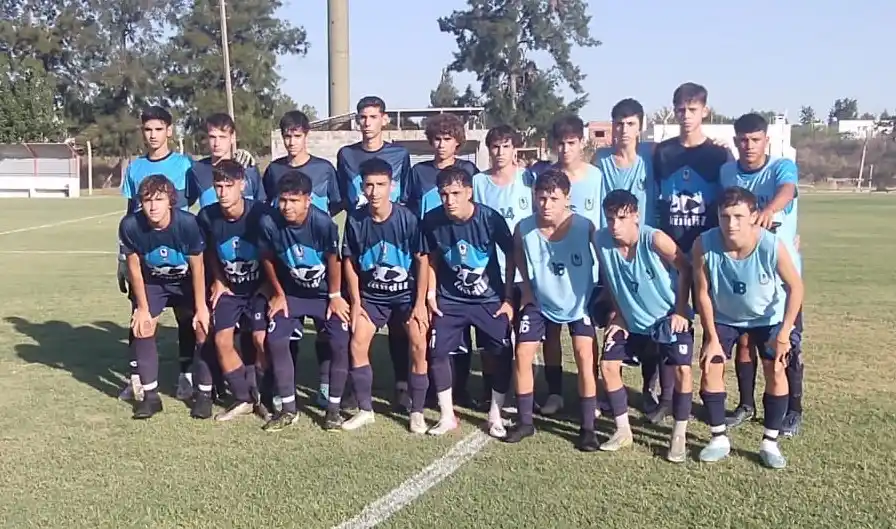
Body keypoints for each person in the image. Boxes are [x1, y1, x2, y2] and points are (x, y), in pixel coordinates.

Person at [692, 187, 803, 469]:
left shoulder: (770, 245)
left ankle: (770, 442)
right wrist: (712, 337)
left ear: (754, 216)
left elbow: (796, 287)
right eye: (725, 216)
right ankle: (718, 438)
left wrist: (784, 333)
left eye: (739, 216)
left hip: (767, 317)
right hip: (726, 316)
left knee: (776, 369)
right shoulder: (704, 244)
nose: (731, 223)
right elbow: (702, 293)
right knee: (711, 365)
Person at [651, 82, 731, 425]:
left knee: (714, 323)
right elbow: (656, 199)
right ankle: (668, 397)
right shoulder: (663, 152)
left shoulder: (717, 155)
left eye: (692, 109)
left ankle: (712, 396)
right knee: (670, 323)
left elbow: (731, 200)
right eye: (680, 109)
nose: (685, 116)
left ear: (705, 111)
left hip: (708, 251)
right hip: (671, 250)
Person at [720, 112, 804, 437]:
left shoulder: (780, 166)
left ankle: (794, 410)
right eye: (743, 139)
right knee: (743, 341)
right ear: (736, 141)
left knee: (785, 345)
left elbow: (787, 190)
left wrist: (769, 211)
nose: (749, 145)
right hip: (743, 271)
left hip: (781, 276)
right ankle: (745, 404)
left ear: (766, 140)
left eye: (755, 139)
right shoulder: (728, 172)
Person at [594, 190, 694, 461]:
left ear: (636, 216)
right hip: (632, 323)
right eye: (610, 218)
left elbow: (686, 268)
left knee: (683, 371)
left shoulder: (654, 239)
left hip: (667, 319)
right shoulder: (600, 240)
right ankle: (623, 430)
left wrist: (681, 311)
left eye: (622, 218)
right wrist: (618, 314)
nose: (615, 225)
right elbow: (611, 278)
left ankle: (679, 435)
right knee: (608, 365)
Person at [503, 169, 599, 451]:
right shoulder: (524, 227)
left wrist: (607, 295)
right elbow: (516, 255)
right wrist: (525, 290)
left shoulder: (585, 226)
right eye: (541, 198)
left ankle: (588, 428)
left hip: (579, 301)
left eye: (553, 198)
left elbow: (605, 259)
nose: (546, 204)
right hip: (541, 301)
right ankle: (525, 422)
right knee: (522, 353)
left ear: (567, 198)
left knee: (584, 355)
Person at [417, 166, 515, 436]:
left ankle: (495, 414)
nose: (449, 200)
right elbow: (430, 258)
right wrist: (430, 294)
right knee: (437, 353)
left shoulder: (490, 218)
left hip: (489, 299)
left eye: (456, 193)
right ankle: (447, 415)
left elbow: (512, 256)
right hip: (450, 300)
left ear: (469, 192)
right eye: (444, 194)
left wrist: (508, 298)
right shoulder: (432, 220)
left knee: (501, 351)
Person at [258, 172, 351, 432]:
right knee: (276, 340)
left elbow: (335, 260)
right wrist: (278, 292)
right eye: (283, 200)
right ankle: (289, 409)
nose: (287, 206)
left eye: (294, 200)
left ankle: (333, 410)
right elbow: (267, 258)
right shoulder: (269, 222)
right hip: (293, 294)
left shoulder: (323, 224)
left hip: (324, 295)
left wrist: (334, 296)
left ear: (308, 200)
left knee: (340, 342)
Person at [118, 106, 199, 403]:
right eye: (147, 130)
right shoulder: (135, 168)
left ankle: (185, 378)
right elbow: (129, 217)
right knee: (139, 315)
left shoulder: (185, 165)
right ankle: (136, 379)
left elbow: (208, 197)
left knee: (185, 317)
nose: (152, 135)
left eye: (158, 129)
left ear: (170, 131)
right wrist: (121, 259)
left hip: (180, 260)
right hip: (145, 258)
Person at [337, 96, 413, 410]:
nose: (367, 123)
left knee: (400, 324)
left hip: (391, 238)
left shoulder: (400, 154)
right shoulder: (346, 155)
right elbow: (343, 198)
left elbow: (407, 196)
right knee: (357, 319)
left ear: (384, 119)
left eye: (372, 116)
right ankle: (353, 388)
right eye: (362, 117)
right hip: (360, 236)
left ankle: (402, 384)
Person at [263, 109, 343, 409]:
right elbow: (267, 207)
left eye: (297, 136)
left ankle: (324, 385)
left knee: (326, 330)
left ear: (306, 136)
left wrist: (309, 232)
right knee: (287, 328)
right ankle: (287, 388)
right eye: (287, 136)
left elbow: (335, 204)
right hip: (288, 263)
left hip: (317, 257)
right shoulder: (273, 171)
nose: (292, 141)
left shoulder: (324, 169)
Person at [341, 158, 426, 431]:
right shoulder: (355, 220)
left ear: (392, 186)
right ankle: (366, 409)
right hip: (372, 298)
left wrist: (421, 302)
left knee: (418, 342)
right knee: (357, 342)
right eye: (369, 185)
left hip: (405, 296)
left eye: (381, 184)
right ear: (361, 187)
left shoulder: (407, 218)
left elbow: (422, 260)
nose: (375, 191)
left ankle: (418, 410)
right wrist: (355, 302)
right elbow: (349, 262)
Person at [118, 175, 210, 420]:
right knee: (142, 328)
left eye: (159, 199)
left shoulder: (187, 223)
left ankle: (203, 395)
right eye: (147, 200)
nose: (153, 206)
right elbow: (135, 269)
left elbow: (199, 268)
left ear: (171, 200)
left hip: (186, 282)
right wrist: (142, 308)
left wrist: (201, 307)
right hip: (154, 283)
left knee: (201, 327)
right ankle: (150, 397)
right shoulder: (130, 225)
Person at [405, 113, 480, 407]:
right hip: (428, 254)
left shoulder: (468, 170)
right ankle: (430, 387)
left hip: (460, 257)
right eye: (436, 138)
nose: (441, 144)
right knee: (431, 323)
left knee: (461, 325)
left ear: (458, 142)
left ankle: (461, 388)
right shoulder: (419, 172)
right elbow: (412, 212)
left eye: (447, 139)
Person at [536, 114, 603, 417]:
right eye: (560, 143)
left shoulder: (596, 177)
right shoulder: (546, 179)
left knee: (586, 338)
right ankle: (554, 393)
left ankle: (594, 391)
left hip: (586, 273)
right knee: (550, 334)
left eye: (571, 143)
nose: (565, 149)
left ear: (582, 143)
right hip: (551, 275)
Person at [196, 161, 271, 422]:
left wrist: (270, 286)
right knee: (221, 340)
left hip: (259, 288)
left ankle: (264, 394)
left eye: (229, 185)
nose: (223, 192)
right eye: (218, 186)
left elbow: (276, 253)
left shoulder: (261, 214)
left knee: (262, 340)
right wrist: (218, 280)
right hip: (231, 289)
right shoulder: (207, 216)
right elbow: (208, 252)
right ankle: (243, 397)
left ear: (243, 184)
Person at [471, 125, 532, 412]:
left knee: (524, 335)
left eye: (505, 146)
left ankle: (524, 390)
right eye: (495, 146)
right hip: (489, 272)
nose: (499, 152)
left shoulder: (528, 180)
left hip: (524, 272)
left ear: (515, 149)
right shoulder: (479, 182)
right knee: (491, 334)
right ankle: (491, 388)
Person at [188, 113, 265, 208]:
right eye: (212, 137)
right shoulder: (197, 169)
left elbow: (261, 204)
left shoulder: (248, 167)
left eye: (222, 137)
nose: (217, 143)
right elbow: (183, 203)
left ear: (232, 138)